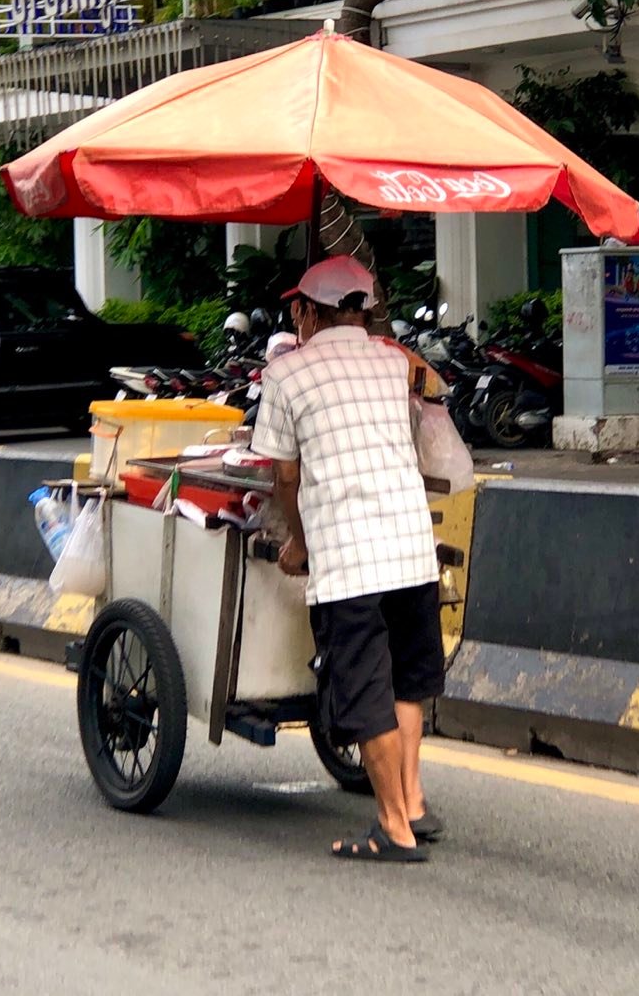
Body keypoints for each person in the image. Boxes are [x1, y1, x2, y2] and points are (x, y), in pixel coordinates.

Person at [251, 255, 443, 863]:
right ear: (361, 308)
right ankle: (411, 799)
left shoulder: (287, 374)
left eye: (296, 309)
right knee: (408, 680)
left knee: (365, 690)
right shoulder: (393, 362)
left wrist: (298, 540)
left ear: (308, 312)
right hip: (412, 549)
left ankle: (394, 828)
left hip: (349, 554)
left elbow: (284, 475)